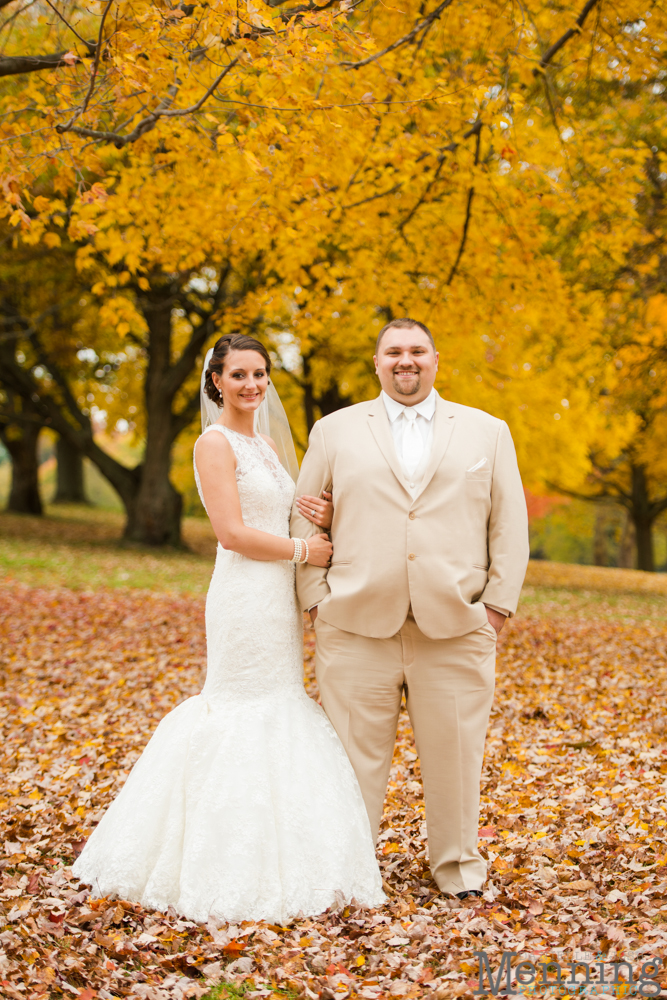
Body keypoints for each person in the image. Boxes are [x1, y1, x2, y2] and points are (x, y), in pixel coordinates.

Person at [73, 333, 384, 924]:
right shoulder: (213, 444)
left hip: (278, 597)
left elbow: (282, 506)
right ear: (216, 381)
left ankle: (293, 853)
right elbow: (231, 533)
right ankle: (213, 859)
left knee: (281, 704)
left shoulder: (265, 443)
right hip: (243, 595)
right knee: (242, 706)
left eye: (260, 374)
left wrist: (319, 517)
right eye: (238, 375)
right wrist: (302, 549)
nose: (251, 385)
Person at [291, 318, 529, 901]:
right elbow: (304, 514)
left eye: (417, 350)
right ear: (376, 363)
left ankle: (457, 869)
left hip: (456, 625)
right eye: (393, 351)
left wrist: (496, 608)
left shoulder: (487, 432)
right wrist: (316, 599)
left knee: (456, 758)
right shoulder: (334, 430)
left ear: (435, 359)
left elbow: (511, 526)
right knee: (352, 762)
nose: (406, 360)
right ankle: (350, 872)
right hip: (354, 624)